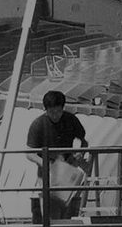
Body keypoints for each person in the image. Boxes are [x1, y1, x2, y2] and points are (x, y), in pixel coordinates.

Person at [26, 90, 89, 220]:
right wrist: (45, 164)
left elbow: (84, 141)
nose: (55, 115)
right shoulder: (38, 124)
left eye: (58, 111)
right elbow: (29, 153)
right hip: (47, 174)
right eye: (52, 112)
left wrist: (80, 153)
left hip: (67, 170)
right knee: (50, 212)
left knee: (67, 210)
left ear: (63, 108)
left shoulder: (71, 120)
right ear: (45, 110)